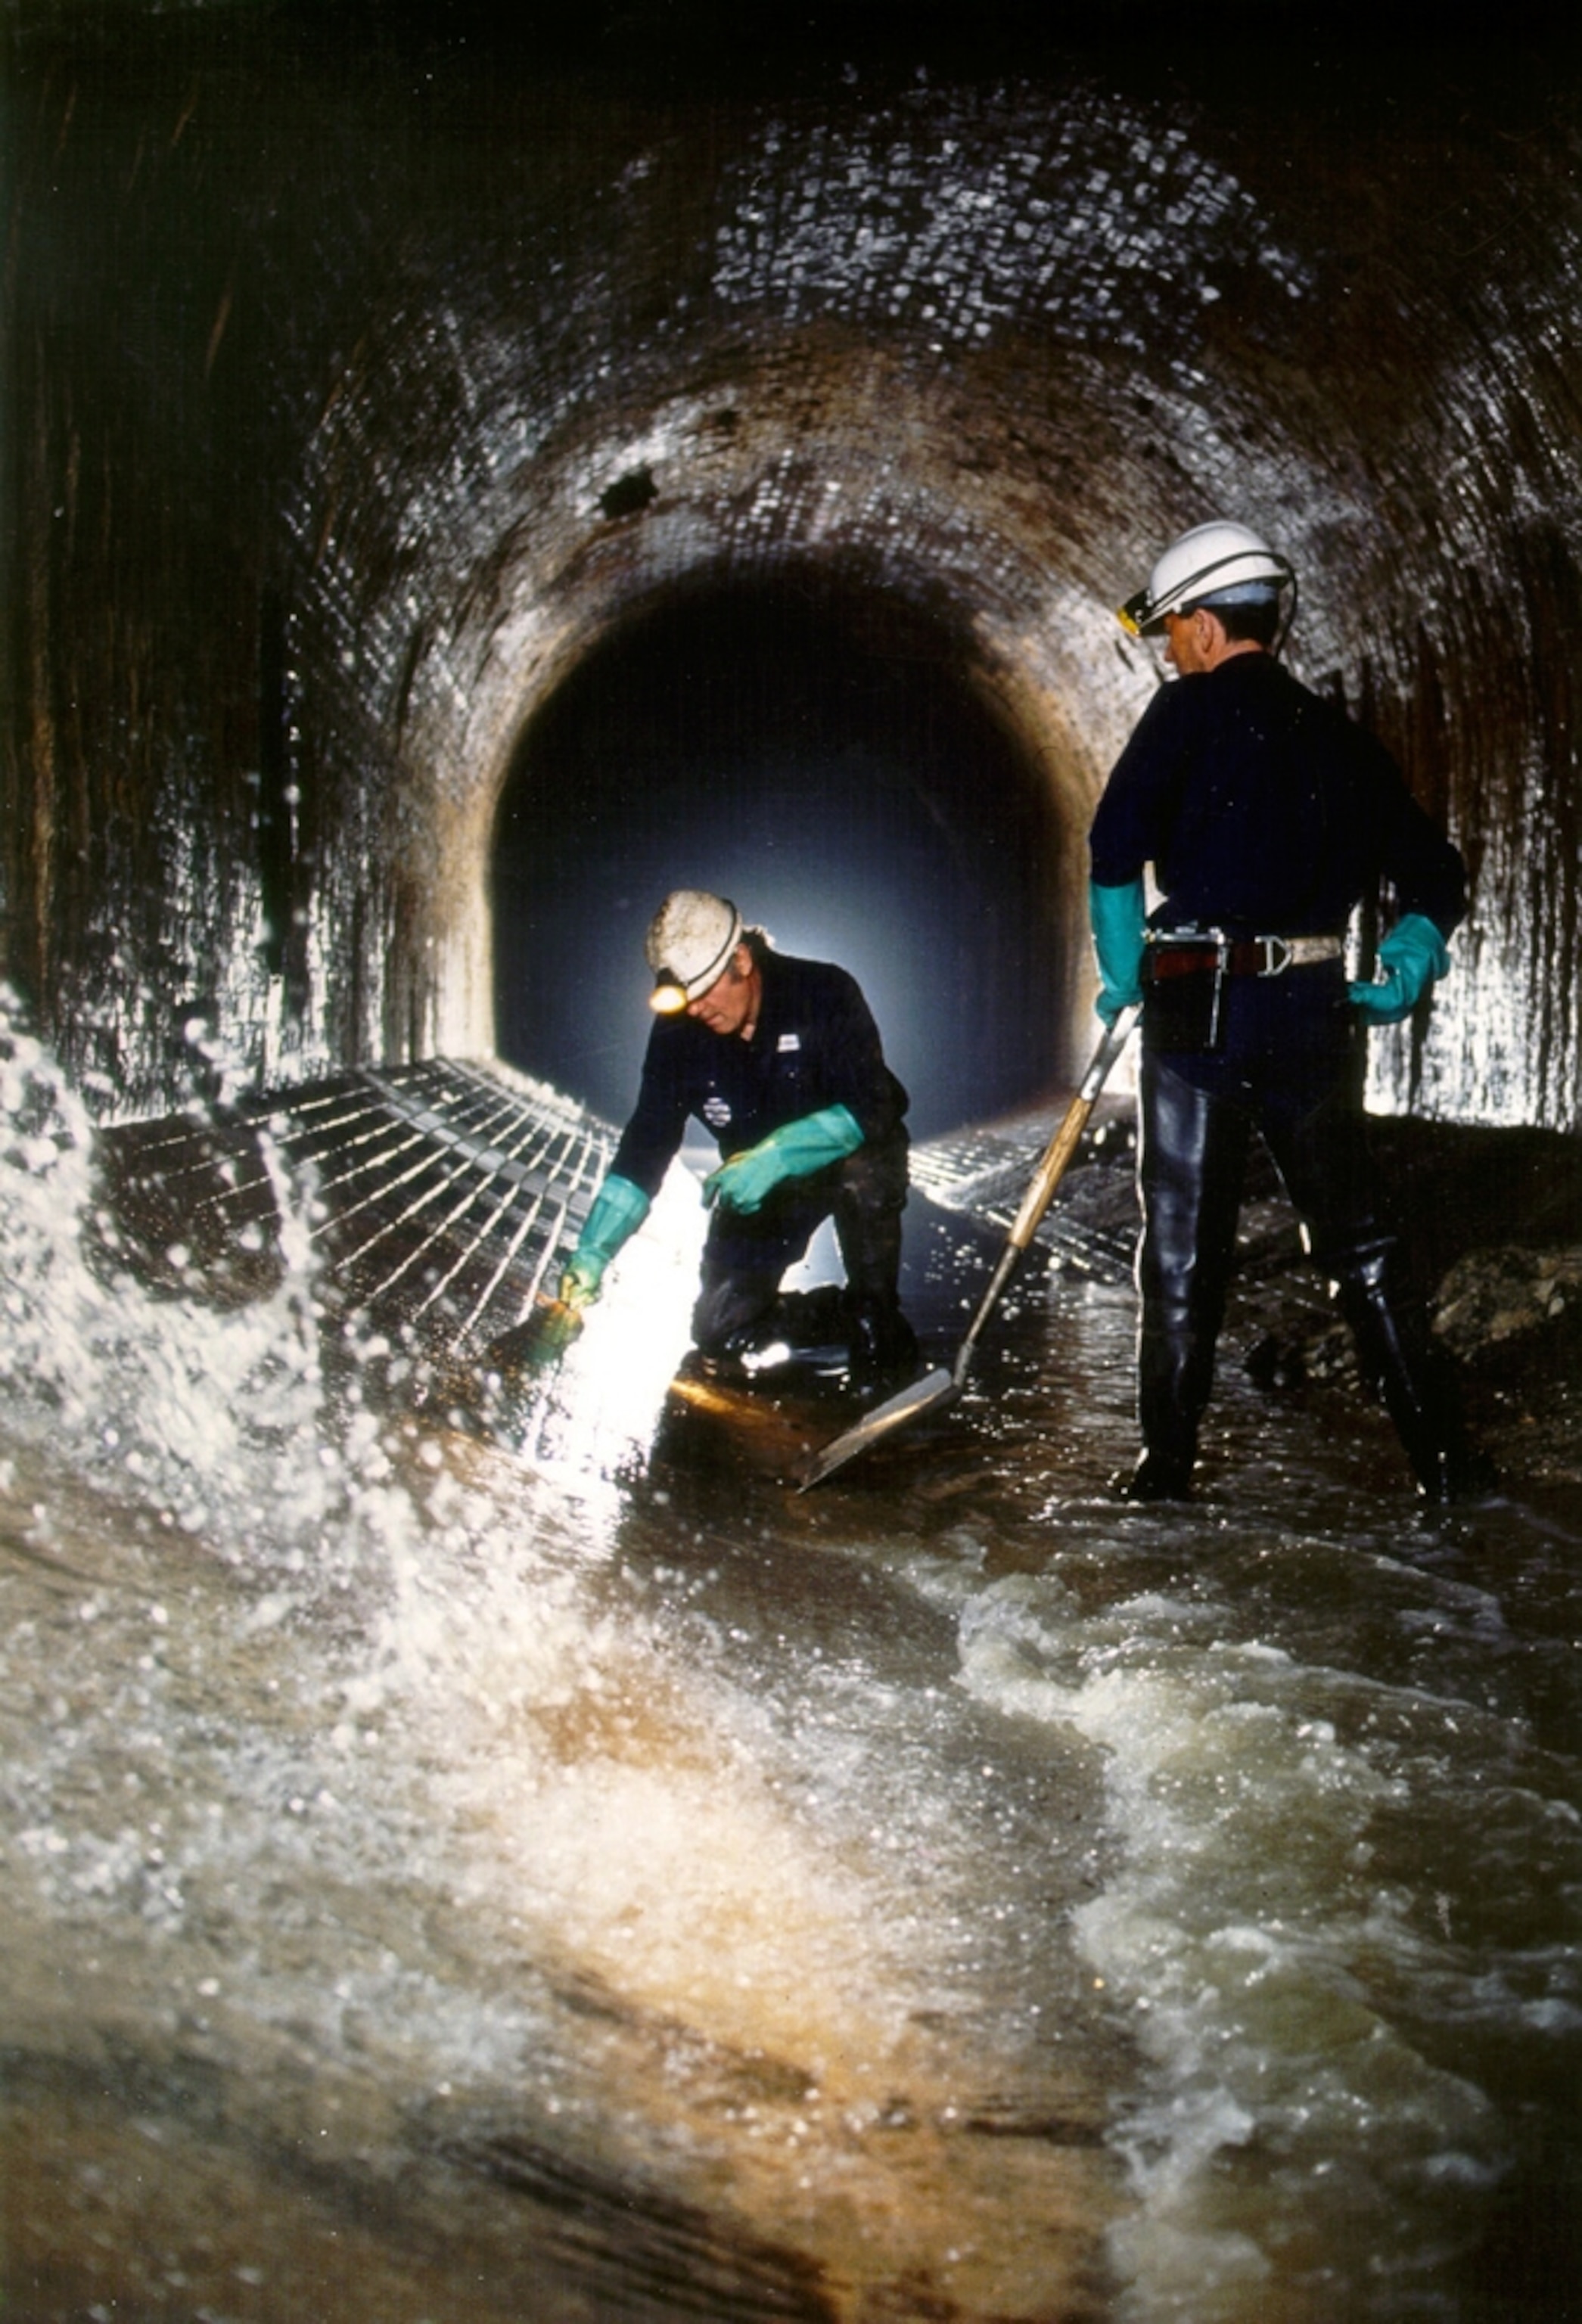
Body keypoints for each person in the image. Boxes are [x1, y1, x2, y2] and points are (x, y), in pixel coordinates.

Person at [1089, 519, 1484, 1504]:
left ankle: (1162, 1479)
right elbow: (1435, 876)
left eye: (1171, 631)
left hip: (1198, 1011)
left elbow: (1111, 852)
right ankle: (1443, 1468)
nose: (1170, 652)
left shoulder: (1182, 713)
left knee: (1181, 1253)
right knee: (1361, 1248)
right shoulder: (1341, 739)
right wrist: (1403, 963)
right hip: (1312, 1010)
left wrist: (1123, 971)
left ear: (1204, 627)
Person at [559, 890, 917, 1383]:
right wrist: (593, 1251)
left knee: (867, 1168)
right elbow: (648, 1141)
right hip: (761, 1189)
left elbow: (874, 1103)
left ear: (742, 961)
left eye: (706, 990)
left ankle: (875, 1311)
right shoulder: (678, 1035)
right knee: (718, 1330)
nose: (697, 1009)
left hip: (842, 1164)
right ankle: (840, 1314)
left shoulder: (822, 991)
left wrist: (777, 1156)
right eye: (686, 999)